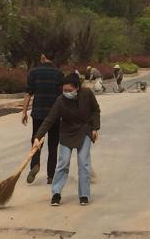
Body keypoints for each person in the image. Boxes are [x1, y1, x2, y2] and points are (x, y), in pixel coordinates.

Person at [32, 73, 100, 206]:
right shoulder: (60, 101)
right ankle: (56, 193)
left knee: (83, 162)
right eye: (64, 90)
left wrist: (95, 128)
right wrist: (38, 136)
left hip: (84, 130)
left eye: (70, 90)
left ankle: (84, 195)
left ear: (77, 88)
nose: (66, 93)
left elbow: (95, 110)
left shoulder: (87, 94)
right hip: (67, 132)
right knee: (63, 162)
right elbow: (50, 119)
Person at [22, 51, 64, 184]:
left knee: (36, 139)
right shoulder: (59, 74)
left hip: (38, 112)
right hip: (54, 114)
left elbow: (28, 93)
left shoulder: (34, 73)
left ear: (43, 56)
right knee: (53, 144)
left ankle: (35, 164)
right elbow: (62, 96)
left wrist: (24, 112)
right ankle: (51, 175)